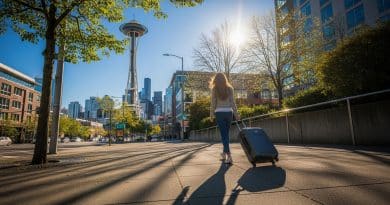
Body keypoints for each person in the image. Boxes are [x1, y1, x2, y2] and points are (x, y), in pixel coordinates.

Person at [210, 73, 240, 164]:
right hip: (229, 113)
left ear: (215, 80)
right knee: (226, 134)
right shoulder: (230, 88)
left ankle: (229, 156)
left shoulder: (214, 89)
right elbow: (233, 103)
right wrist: (236, 114)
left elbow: (213, 103)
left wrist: (211, 114)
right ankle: (224, 153)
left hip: (219, 113)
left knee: (224, 135)